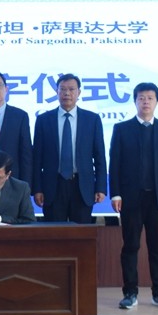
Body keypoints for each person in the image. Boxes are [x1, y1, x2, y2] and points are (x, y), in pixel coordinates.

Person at [110, 82, 158, 310]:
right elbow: (115, 164)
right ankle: (130, 293)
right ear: (135, 101)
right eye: (141, 98)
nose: (146, 102)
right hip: (130, 198)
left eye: (150, 98)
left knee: (157, 247)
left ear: (157, 101)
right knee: (130, 246)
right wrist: (115, 194)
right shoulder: (122, 129)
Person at [32, 73, 106, 224]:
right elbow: (37, 158)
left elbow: (99, 157)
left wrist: (100, 187)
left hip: (82, 186)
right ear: (57, 92)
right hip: (53, 186)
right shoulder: (43, 120)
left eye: (71, 89)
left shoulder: (92, 120)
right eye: (63, 89)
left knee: (81, 234)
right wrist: (37, 189)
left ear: (79, 92)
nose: (67, 93)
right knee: (54, 233)